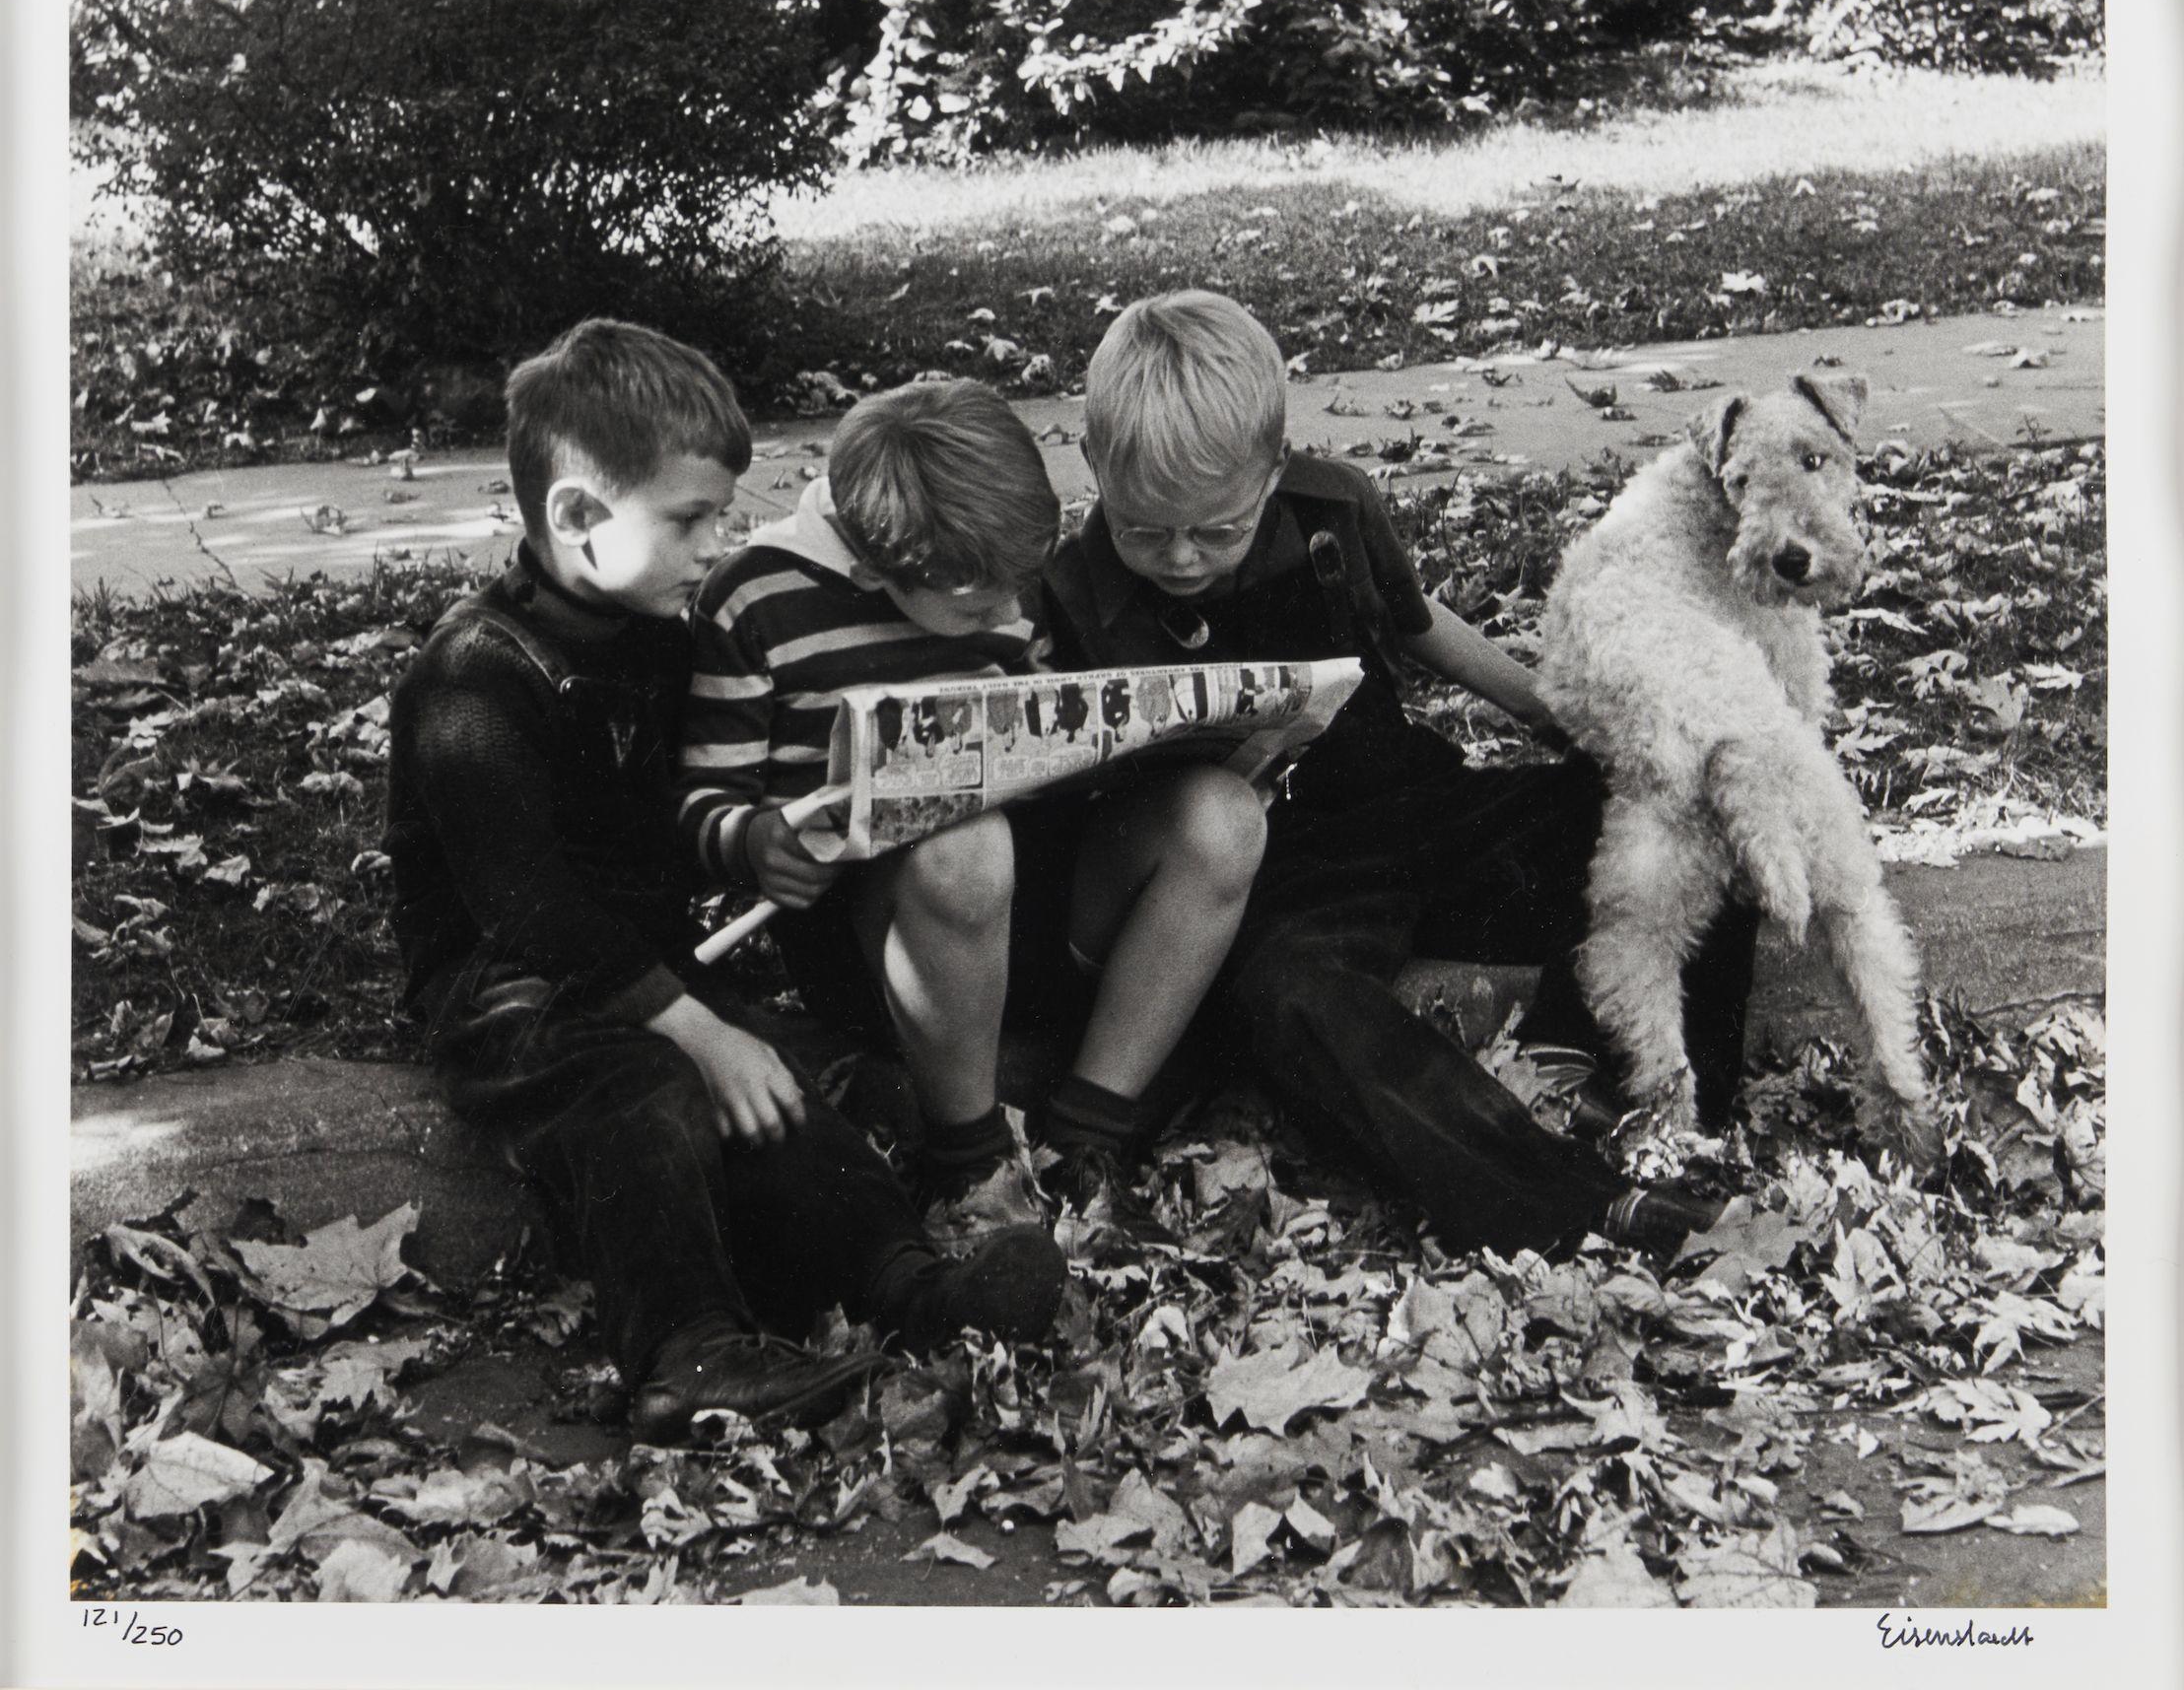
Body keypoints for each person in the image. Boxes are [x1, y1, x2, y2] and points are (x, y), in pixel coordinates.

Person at [385, 321, 1064, 1448]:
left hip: (636, 969)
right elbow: (522, 907)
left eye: (721, 515)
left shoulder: (653, 636)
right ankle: (682, 1349)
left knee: (787, 1094)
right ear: (576, 519)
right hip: (504, 991)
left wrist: (754, 843)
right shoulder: (475, 678)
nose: (718, 545)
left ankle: (905, 1288)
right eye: (690, 520)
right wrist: (702, 1033)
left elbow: (679, 812)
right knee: (648, 1097)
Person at [1041, 291, 1755, 1263]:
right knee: (1296, 997)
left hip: (1411, 805)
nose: (1177, 557)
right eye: (1143, 530)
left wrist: (1573, 725)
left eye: (1214, 532)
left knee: (1705, 803)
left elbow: (1423, 635)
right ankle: (1564, 1204)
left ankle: (1668, 1101)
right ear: (1092, 468)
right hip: (1277, 881)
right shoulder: (1070, 590)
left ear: (1272, 470)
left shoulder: (1332, 509)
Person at [680, 377, 1266, 1231]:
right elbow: (702, 798)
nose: (1007, 611)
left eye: (1015, 593)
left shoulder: (993, 573)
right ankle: (970, 1159)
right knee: (968, 843)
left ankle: (1089, 1128)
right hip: (887, 936)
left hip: (1032, 900)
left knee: (1223, 814)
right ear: (880, 571)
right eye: (977, 608)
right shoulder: (757, 599)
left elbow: (1029, 720)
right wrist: (752, 841)